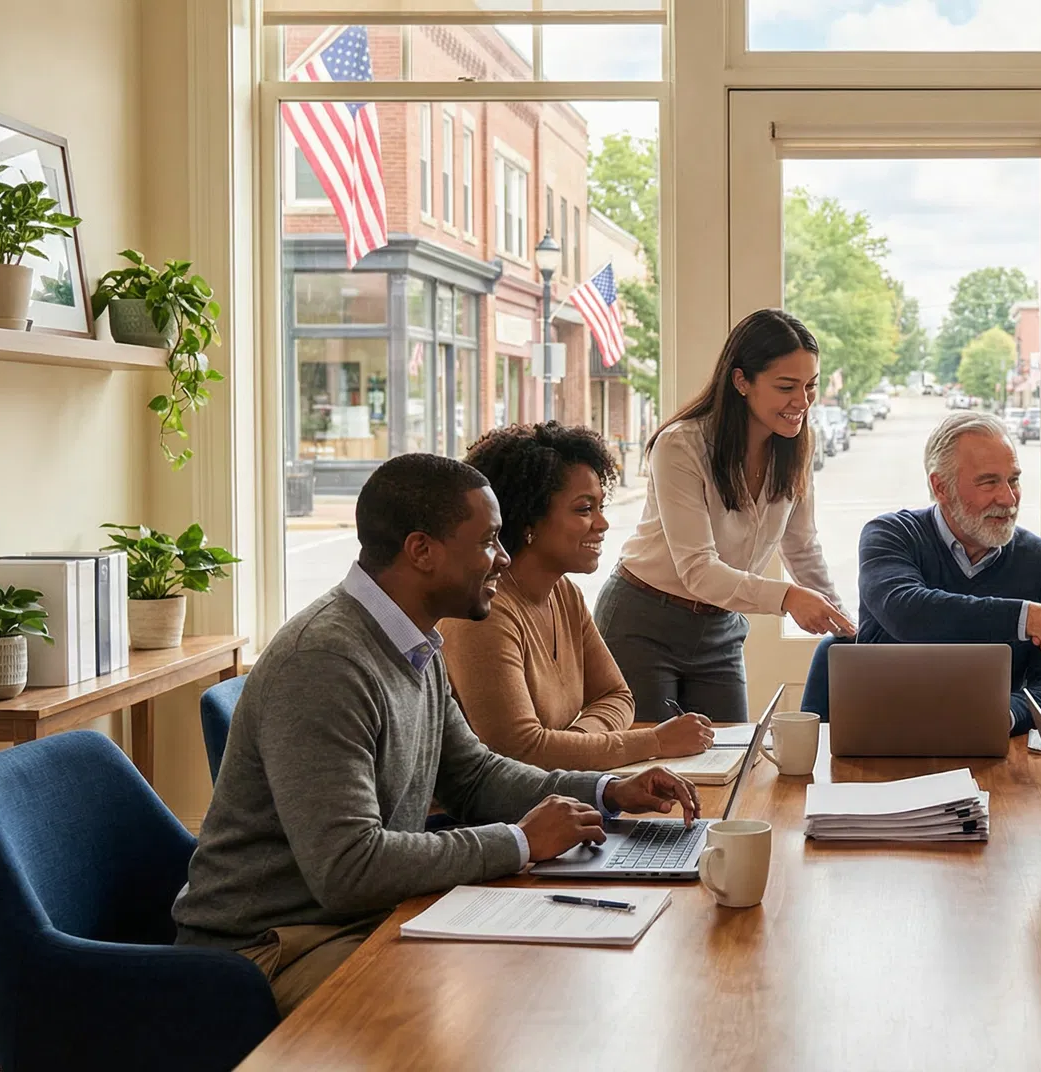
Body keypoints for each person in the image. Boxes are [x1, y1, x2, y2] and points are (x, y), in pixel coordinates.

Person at [174, 454, 700, 1016]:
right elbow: (348, 868)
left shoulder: (413, 642)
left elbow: (473, 776)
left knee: (541, 982)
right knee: (491, 1007)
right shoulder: (325, 662)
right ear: (421, 551)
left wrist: (605, 791)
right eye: (488, 542)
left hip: (360, 917)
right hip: (272, 947)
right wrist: (520, 842)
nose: (503, 559)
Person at [595, 308, 855, 724]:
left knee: (732, 755)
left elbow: (802, 547)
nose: (802, 401)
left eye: (810, 386)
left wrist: (845, 626)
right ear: (741, 381)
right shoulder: (680, 446)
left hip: (720, 628)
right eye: (786, 387)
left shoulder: (797, 446)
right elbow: (698, 569)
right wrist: (787, 597)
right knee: (651, 758)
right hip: (643, 621)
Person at [444, 423, 715, 771]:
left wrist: (577, 743)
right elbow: (520, 752)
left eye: (601, 506)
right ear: (528, 520)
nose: (602, 523)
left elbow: (617, 696)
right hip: (493, 805)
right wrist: (656, 742)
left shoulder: (563, 593)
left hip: (552, 793)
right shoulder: (483, 613)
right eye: (585, 509)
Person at [852, 411, 1041, 733]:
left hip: (990, 737)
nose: (1009, 498)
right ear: (941, 487)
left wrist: (1003, 714)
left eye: (1014, 480)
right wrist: (1029, 619)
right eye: (989, 482)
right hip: (882, 731)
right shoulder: (891, 535)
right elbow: (908, 613)